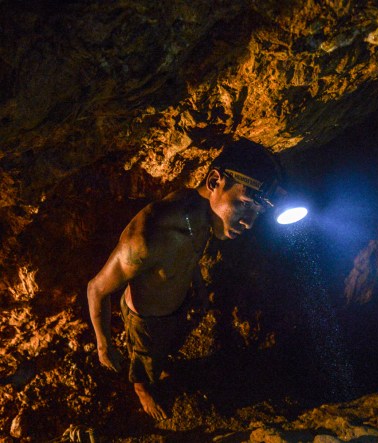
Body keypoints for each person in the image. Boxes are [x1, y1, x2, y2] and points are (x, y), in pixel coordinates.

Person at [87, 138, 284, 420]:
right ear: (215, 180)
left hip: (177, 305)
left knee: (167, 346)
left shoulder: (204, 217)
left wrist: (199, 288)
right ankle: (142, 389)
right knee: (145, 358)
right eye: (244, 204)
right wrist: (103, 344)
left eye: (257, 213)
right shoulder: (146, 239)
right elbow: (95, 288)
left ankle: (159, 364)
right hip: (146, 318)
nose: (249, 223)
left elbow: (190, 253)